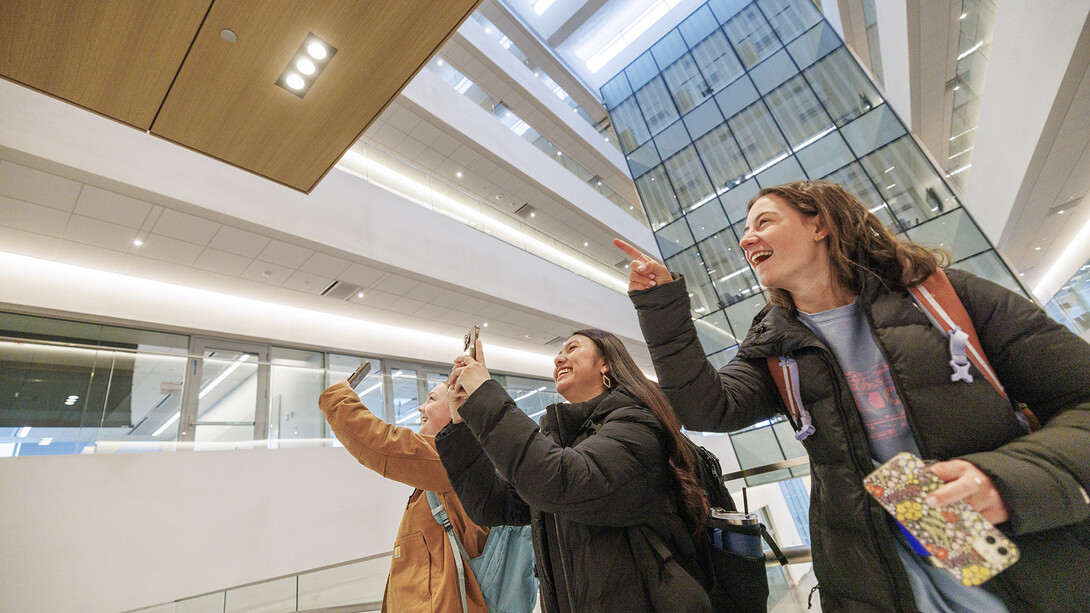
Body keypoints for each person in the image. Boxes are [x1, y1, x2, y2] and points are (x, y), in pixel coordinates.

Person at [615, 179, 1090, 613]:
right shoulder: (775, 344)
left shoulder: (941, 298)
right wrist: (661, 309)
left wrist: (1003, 480)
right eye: (745, 231)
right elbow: (707, 407)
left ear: (819, 223)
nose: (745, 240)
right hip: (875, 586)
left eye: (764, 221)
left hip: (1026, 571)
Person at [435, 332, 712, 612]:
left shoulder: (638, 424)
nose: (558, 358)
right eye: (559, 352)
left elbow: (562, 481)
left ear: (605, 363)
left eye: (573, 347)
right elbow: (491, 505)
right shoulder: (567, 442)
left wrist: (485, 395)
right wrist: (461, 422)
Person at [318, 378, 490, 612]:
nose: (420, 408)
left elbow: (382, 444)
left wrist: (338, 397)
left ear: (456, 409)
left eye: (431, 399)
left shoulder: (456, 460)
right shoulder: (450, 467)